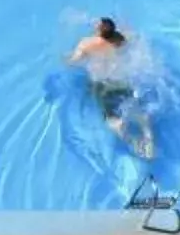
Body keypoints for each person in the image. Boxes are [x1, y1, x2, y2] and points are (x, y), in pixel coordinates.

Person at [68, 17, 158, 160]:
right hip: (120, 81)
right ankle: (148, 136)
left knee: (111, 119)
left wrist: (66, 59)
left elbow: (73, 61)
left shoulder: (86, 43)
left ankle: (132, 141)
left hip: (102, 85)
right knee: (138, 110)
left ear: (98, 30)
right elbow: (134, 37)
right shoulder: (120, 38)